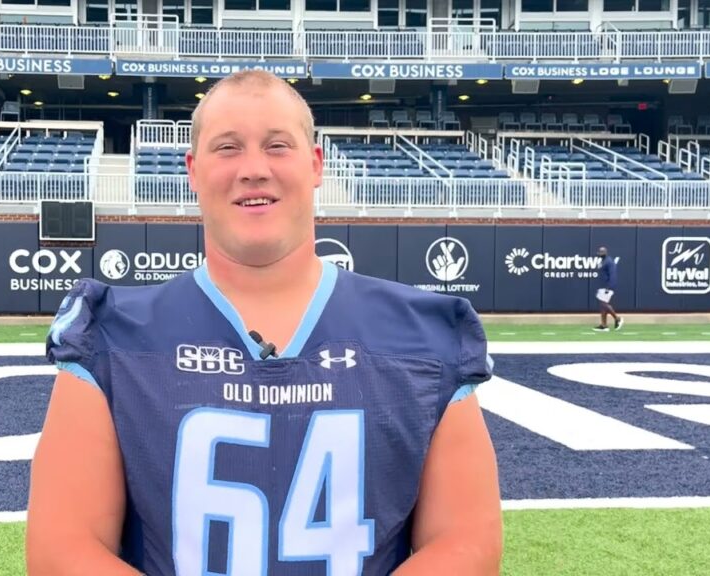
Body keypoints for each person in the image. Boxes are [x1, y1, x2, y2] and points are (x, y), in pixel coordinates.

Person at [26, 70, 502, 575]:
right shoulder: (112, 337)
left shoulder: (425, 335)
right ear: (192, 169)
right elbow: (63, 550)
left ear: (316, 164)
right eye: (227, 148)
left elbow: (465, 543)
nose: (253, 168)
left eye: (277, 145)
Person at [594, 246, 623, 332]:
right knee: (602, 306)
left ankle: (617, 318)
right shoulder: (603, 261)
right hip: (602, 286)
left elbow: (613, 275)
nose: (599, 255)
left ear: (605, 253)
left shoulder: (609, 262)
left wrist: (608, 287)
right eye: (599, 253)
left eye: (601, 253)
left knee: (604, 304)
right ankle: (604, 325)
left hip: (607, 286)